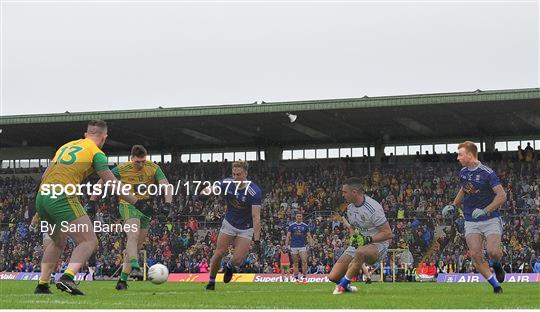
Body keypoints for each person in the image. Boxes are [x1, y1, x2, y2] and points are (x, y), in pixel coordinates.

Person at [34, 120, 141, 295]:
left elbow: (45, 174)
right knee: (89, 241)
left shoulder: (66, 146)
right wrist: (137, 202)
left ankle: (42, 284)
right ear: (104, 137)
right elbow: (111, 183)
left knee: (58, 241)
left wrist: (39, 208)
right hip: (61, 195)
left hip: (42, 195)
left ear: (86, 134)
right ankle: (68, 278)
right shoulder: (96, 152)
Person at [90, 145, 172, 290]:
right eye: (137, 162)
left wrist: (168, 203)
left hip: (145, 208)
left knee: (137, 246)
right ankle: (135, 266)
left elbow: (166, 185)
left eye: (143, 161)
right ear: (131, 159)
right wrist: (92, 200)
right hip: (128, 205)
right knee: (132, 237)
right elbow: (102, 180)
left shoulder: (153, 167)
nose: (140, 164)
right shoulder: (122, 168)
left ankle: (122, 280)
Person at [443, 141, 507, 294]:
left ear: (470, 155)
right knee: (475, 255)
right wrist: (454, 205)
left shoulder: (487, 173)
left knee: (492, 252)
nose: (458, 157)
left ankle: (497, 264)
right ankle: (496, 286)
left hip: (490, 218)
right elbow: (464, 189)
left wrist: (485, 210)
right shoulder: (463, 172)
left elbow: (502, 196)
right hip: (471, 220)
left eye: (460, 154)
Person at [328, 177, 393, 295]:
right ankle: (348, 287)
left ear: (354, 192)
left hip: (377, 245)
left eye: (345, 192)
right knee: (333, 276)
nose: (343, 195)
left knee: (360, 252)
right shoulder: (350, 208)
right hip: (361, 244)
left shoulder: (373, 208)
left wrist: (368, 239)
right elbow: (353, 228)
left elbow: (388, 233)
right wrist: (353, 238)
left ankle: (341, 287)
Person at [205, 161, 262, 290]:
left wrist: (257, 240)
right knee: (219, 253)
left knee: (238, 260)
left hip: (246, 228)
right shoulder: (227, 183)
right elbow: (213, 188)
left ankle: (229, 267)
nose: (236, 177)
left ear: (246, 174)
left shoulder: (254, 191)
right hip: (229, 223)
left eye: (239, 174)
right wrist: (205, 193)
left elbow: (256, 217)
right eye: (234, 174)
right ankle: (211, 281)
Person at [285, 213, 314, 283]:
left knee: (304, 261)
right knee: (295, 263)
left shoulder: (305, 226)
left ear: (302, 217)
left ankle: (304, 278)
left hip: (302, 246)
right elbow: (288, 236)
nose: (299, 217)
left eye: (300, 216)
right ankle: (297, 279)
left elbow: (309, 236)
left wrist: (311, 244)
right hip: (293, 246)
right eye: (297, 216)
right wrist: (286, 245)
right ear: (295, 217)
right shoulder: (291, 226)